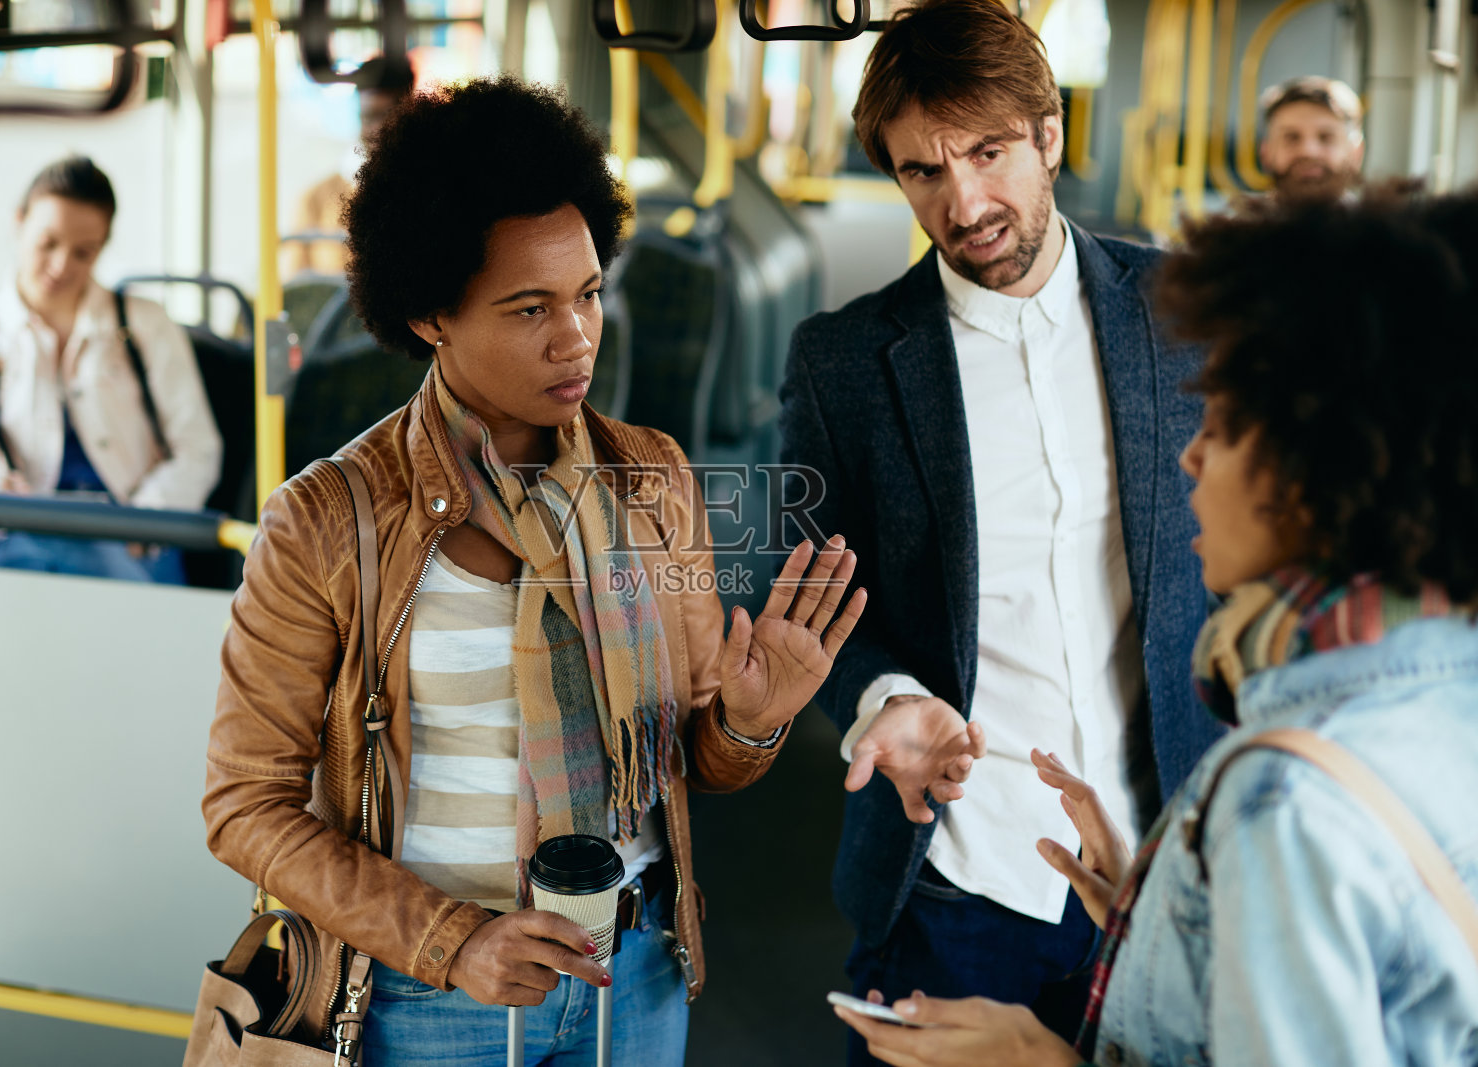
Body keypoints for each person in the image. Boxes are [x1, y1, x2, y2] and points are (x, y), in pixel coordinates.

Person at [202, 76, 867, 1067]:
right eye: (529, 307)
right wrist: (451, 939)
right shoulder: (326, 520)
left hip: (632, 971)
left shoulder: (650, 477)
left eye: (591, 293)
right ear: (432, 312)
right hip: (422, 996)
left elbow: (693, 760)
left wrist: (750, 716)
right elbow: (244, 802)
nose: (578, 336)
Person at [835, 189, 1478, 1067]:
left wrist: (1036, 1058)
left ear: (1322, 464)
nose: (1190, 453)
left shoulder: (1284, 798)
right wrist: (1172, 909)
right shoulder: (1447, 694)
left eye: (1225, 421)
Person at [777, 1, 1224, 1056]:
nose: (964, 200)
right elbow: (799, 590)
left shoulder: (1183, 311)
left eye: (987, 152)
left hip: (1164, 866)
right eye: (922, 171)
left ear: (1049, 134)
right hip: (957, 876)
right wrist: (882, 694)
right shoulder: (841, 362)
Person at [0, 155, 223, 584]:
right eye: (48, 243)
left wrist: (144, 523)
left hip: (137, 541)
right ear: (19, 223)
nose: (61, 266)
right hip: (28, 537)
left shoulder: (145, 325)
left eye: (83, 253)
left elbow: (197, 448)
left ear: (102, 247)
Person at [282, 56, 415, 279]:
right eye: (369, 117)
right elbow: (301, 295)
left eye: (388, 116)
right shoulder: (317, 201)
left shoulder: (434, 191)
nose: (378, 130)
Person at [1258, 75, 1365, 204]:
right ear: (1265, 152)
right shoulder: (1239, 223)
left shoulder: (1382, 223)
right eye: (1291, 137)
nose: (1308, 151)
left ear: (1356, 152)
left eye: (1326, 137)